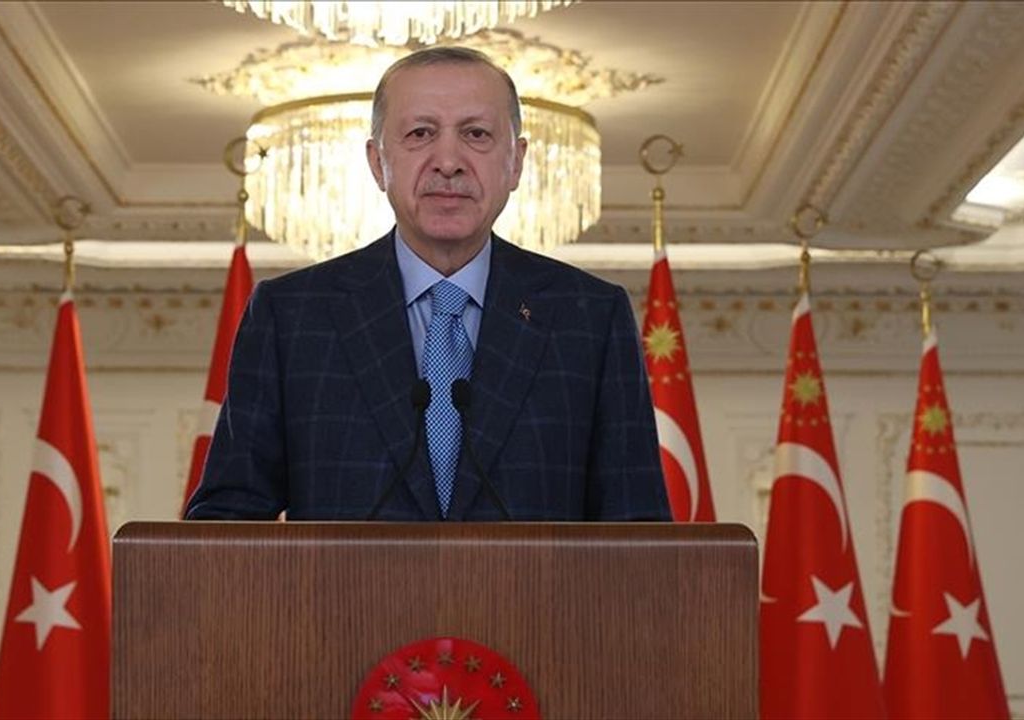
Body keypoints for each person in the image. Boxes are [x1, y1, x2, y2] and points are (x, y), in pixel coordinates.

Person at [186, 47, 670, 521]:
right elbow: (227, 522)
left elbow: (639, 533)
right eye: (421, 133)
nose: (448, 161)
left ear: (516, 162)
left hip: (535, 583)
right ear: (378, 162)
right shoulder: (291, 316)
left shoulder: (589, 317)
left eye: (476, 134)